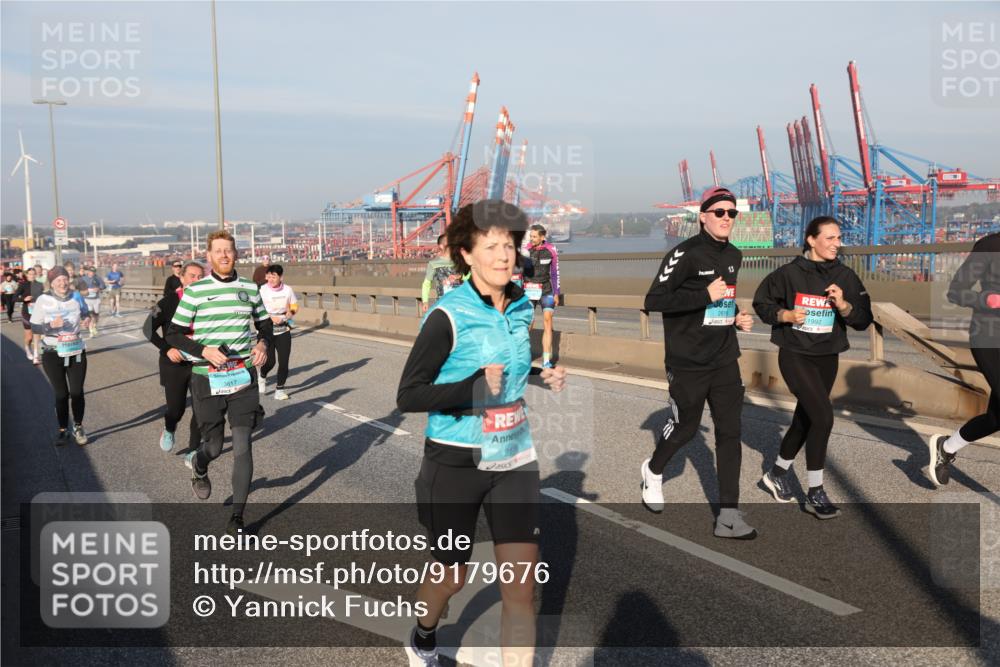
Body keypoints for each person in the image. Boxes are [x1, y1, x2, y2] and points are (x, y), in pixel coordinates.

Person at [397, 200, 567, 666]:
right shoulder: (446, 316)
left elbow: (505, 368)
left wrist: (537, 374)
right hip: (455, 460)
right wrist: (470, 390)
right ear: (466, 254)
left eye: (509, 245)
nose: (504, 255)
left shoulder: (519, 307)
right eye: (490, 246)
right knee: (451, 575)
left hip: (513, 456)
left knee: (521, 587)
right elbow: (408, 395)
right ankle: (424, 632)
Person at [640, 186, 757, 539]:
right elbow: (654, 299)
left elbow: (724, 298)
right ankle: (654, 469)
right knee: (686, 429)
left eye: (731, 213)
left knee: (729, 432)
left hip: (724, 357)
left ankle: (728, 515)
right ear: (703, 216)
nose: (726, 218)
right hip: (687, 360)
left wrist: (736, 315)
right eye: (719, 212)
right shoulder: (684, 254)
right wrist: (704, 294)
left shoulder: (734, 255)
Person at [752, 216, 873, 518]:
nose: (837, 243)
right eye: (830, 238)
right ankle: (815, 491)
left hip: (827, 357)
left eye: (839, 238)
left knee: (805, 420)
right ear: (811, 239)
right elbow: (761, 303)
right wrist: (786, 316)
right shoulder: (787, 274)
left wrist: (844, 306)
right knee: (823, 417)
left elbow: (863, 318)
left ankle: (777, 474)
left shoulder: (845, 276)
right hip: (795, 355)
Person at [165, 230, 272, 535]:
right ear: (209, 256)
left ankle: (237, 517)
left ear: (236, 254)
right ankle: (199, 465)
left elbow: (263, 323)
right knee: (213, 446)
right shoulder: (196, 291)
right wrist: (203, 351)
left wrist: (263, 344)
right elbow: (172, 333)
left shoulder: (250, 288)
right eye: (218, 251)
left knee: (242, 445)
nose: (224, 255)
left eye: (229, 250)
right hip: (206, 378)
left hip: (242, 376)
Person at [929, 232, 1000, 486]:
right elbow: (956, 291)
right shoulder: (990, 246)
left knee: (996, 418)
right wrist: (988, 299)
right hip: (990, 338)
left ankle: (946, 448)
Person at [145, 260, 206, 453]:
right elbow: (147, 328)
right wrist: (166, 349)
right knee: (176, 409)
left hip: (201, 362)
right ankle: (169, 428)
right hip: (174, 363)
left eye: (200, 277)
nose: (196, 280)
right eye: (192, 276)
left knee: (201, 409)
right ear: (181, 277)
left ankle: (194, 450)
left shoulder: (208, 302)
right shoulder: (166, 302)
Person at [30, 266, 91, 446]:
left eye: (64, 279)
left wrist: (86, 320)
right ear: (52, 282)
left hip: (76, 350)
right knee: (61, 394)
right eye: (58, 280)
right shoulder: (43, 299)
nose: (62, 283)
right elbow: (34, 327)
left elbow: (86, 314)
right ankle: (63, 430)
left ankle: (78, 426)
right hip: (52, 352)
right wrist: (50, 326)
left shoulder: (77, 297)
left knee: (77, 392)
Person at [258, 264, 298, 400]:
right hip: (267, 327)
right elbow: (257, 309)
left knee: (284, 361)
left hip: (283, 327)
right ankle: (262, 376)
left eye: (273, 276)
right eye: (269, 276)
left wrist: (290, 313)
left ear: (280, 277)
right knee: (270, 362)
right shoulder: (262, 290)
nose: (270, 279)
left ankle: (279, 390)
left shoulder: (288, 290)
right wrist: (270, 317)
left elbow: (294, 305)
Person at [524, 224, 561, 368]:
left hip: (546, 290)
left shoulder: (551, 250)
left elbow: (555, 273)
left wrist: (556, 293)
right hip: (529, 290)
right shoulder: (525, 250)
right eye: (530, 236)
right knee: (528, 324)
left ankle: (546, 360)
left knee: (548, 321)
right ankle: (524, 356)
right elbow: (519, 272)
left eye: (534, 236)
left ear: (542, 237)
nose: (531, 239)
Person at [420, 234, 464, 313]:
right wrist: (425, 301)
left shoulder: (460, 261)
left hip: (460, 303)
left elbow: (470, 278)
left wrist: (459, 277)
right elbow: (427, 283)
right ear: (442, 246)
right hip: (443, 304)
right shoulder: (433, 264)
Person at [16, 267, 44, 362]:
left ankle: (36, 355)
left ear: (36, 275)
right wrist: (24, 299)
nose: (32, 276)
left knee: (37, 334)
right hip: (26, 313)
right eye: (30, 274)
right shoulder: (23, 285)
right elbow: (15, 297)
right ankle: (27, 349)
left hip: (38, 312)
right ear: (27, 275)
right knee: (29, 337)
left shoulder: (40, 285)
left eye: (33, 274)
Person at [76, 266, 106, 337]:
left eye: (93, 272)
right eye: (91, 272)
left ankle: (94, 326)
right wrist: (84, 290)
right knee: (91, 315)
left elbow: (103, 286)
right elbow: (78, 287)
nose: (92, 273)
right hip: (87, 299)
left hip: (96, 299)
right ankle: (91, 330)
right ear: (88, 272)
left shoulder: (98, 278)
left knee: (96, 315)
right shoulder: (83, 278)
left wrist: (98, 288)